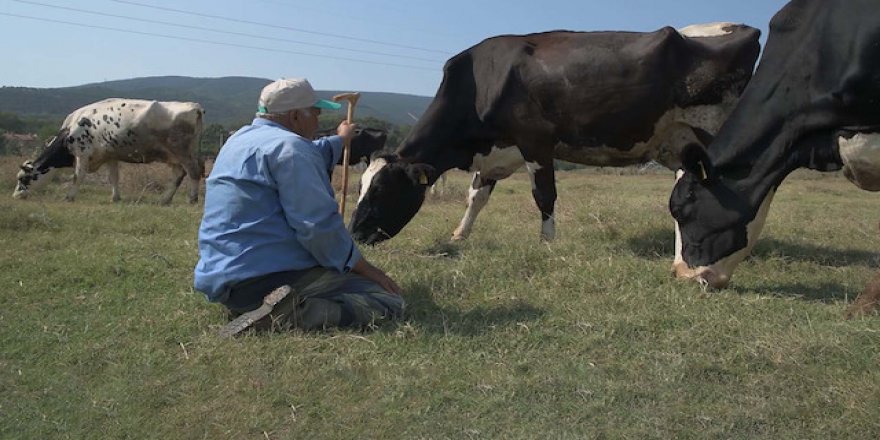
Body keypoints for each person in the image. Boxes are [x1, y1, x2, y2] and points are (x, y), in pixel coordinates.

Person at [194, 78, 404, 333]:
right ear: (295, 116)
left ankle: (254, 306)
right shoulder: (292, 148)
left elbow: (310, 151)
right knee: (388, 300)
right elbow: (317, 227)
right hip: (268, 279)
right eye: (315, 112)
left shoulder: (239, 140)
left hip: (228, 280)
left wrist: (341, 139)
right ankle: (293, 314)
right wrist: (368, 270)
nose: (318, 121)